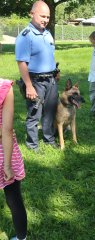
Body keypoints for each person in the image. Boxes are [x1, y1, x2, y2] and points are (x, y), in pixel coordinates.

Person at [15, 1, 59, 152]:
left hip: (51, 80)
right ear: (32, 13)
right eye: (42, 16)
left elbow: (49, 55)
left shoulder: (47, 33)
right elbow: (21, 62)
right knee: (34, 113)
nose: (45, 20)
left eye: (48, 17)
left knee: (50, 111)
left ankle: (49, 139)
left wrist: (55, 71)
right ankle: (32, 144)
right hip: (35, 81)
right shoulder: (25, 36)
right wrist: (28, 85)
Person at [0, 79, 27, 240]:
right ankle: (21, 237)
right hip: (5, 151)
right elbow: (7, 129)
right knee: (14, 198)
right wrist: (8, 166)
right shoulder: (4, 87)